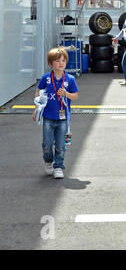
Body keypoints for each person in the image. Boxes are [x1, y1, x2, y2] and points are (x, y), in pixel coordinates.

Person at [32, 47, 79, 179]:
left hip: (63, 118)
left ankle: (58, 166)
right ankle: (48, 161)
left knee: (60, 145)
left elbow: (75, 96)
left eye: (63, 60)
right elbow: (38, 91)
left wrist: (66, 94)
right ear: (50, 64)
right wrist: (36, 107)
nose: (61, 63)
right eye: (57, 61)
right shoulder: (46, 78)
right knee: (46, 144)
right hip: (48, 117)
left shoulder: (70, 79)